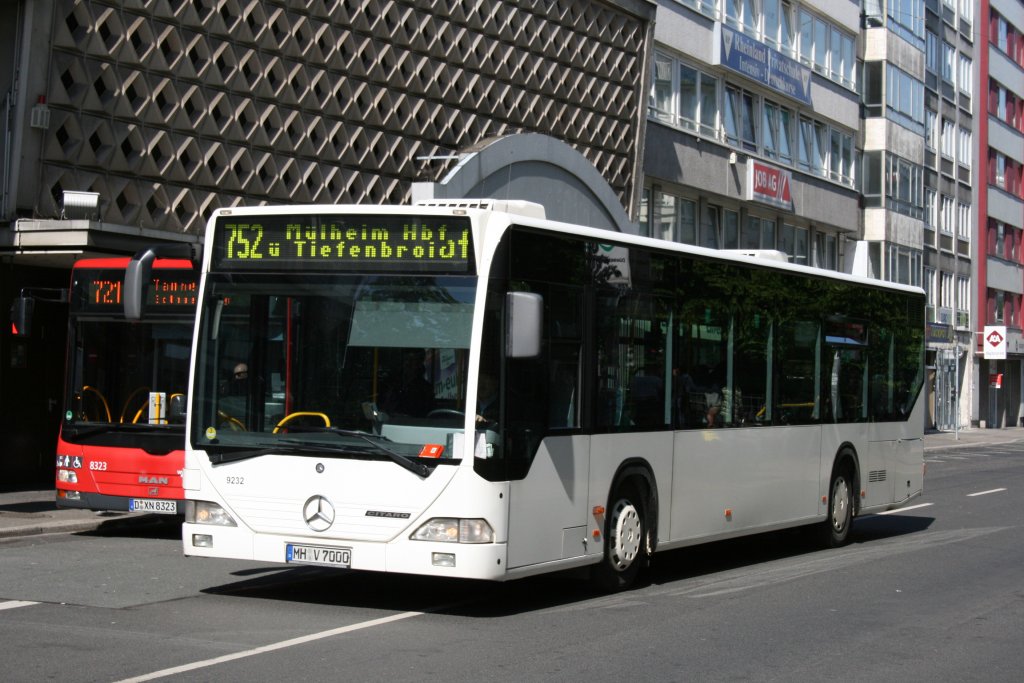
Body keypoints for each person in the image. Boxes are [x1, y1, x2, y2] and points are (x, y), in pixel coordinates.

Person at [381, 350, 433, 417]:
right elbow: (385, 405)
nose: (408, 363)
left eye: (413, 360)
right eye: (406, 359)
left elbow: (423, 415)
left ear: (419, 363)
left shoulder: (425, 388)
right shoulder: (392, 382)